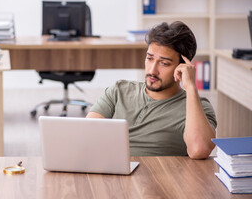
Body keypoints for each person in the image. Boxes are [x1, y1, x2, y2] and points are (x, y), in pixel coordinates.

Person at [86, 21, 217, 159]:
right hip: (112, 173)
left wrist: (190, 87)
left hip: (157, 177)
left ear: (183, 67)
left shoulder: (199, 107)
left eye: (164, 63)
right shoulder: (119, 91)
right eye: (149, 58)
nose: (152, 70)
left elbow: (199, 149)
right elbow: (86, 134)